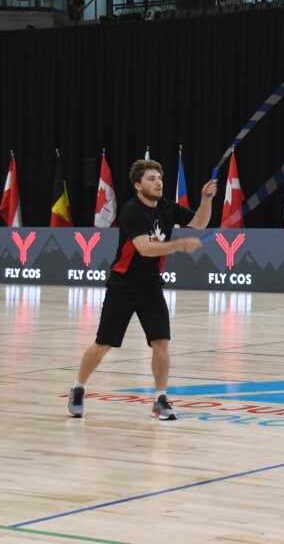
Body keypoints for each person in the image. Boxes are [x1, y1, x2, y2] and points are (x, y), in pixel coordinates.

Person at [67, 159, 217, 421]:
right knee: (103, 344)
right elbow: (145, 248)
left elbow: (200, 223)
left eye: (159, 178)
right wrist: (179, 246)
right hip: (123, 285)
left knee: (161, 342)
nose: (158, 182)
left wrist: (206, 199)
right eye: (151, 178)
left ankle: (160, 399)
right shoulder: (131, 211)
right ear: (138, 185)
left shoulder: (168, 207)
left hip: (151, 286)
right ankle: (78, 388)